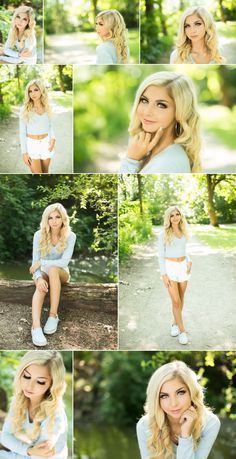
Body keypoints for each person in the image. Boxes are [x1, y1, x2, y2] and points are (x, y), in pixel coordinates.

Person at [119, 71, 201, 173]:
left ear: (180, 112)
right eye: (144, 100)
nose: (147, 112)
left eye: (161, 105)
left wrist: (131, 161)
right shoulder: (147, 151)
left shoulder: (169, 163)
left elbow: (125, 188)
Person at [137, 360, 221, 459]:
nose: (173, 403)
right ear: (156, 399)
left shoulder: (210, 423)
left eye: (180, 393)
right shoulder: (145, 425)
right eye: (164, 396)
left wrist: (186, 436)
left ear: (192, 392)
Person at [0, 350, 68, 458]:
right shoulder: (20, 400)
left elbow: (41, 454)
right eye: (27, 376)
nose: (29, 386)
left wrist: (27, 451)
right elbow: (5, 436)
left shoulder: (55, 414)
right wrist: (28, 450)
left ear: (52, 384)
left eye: (40, 381)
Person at [29, 203, 76, 347]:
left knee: (54, 269)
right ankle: (36, 327)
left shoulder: (70, 236)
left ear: (63, 219)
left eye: (57, 217)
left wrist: (42, 262)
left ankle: (53, 315)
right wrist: (38, 278)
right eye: (50, 218)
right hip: (43, 272)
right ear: (46, 220)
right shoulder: (39, 235)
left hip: (61, 272)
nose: (54, 221)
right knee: (41, 286)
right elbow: (35, 265)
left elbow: (64, 261)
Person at [158, 206, 191, 345]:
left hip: (183, 267)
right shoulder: (164, 234)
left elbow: (184, 250)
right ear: (168, 218)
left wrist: (189, 261)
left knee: (181, 299)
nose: (175, 217)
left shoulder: (183, 232)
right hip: (170, 268)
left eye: (177, 214)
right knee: (175, 301)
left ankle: (174, 324)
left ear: (180, 216)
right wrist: (163, 274)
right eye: (172, 215)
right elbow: (160, 255)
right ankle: (182, 332)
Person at [19, 79, 56, 174]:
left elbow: (50, 125)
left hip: (46, 143)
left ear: (41, 91)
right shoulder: (25, 109)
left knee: (45, 173)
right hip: (32, 145)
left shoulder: (48, 107)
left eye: (36, 90)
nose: (33, 93)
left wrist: (53, 138)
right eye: (30, 91)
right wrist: (24, 153)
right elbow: (22, 132)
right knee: (37, 174)